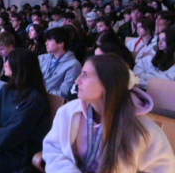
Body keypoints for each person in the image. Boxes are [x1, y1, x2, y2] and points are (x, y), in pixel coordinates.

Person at [42, 54, 175, 172]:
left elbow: (165, 168)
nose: (77, 81)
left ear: (107, 85)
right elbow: (54, 150)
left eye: (86, 75)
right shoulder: (67, 112)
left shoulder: (143, 130)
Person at [39, 27, 81, 97]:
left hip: (51, 100)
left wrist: (41, 95)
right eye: (46, 40)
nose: (46, 43)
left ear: (61, 44)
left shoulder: (73, 65)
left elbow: (63, 93)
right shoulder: (41, 58)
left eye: (49, 40)